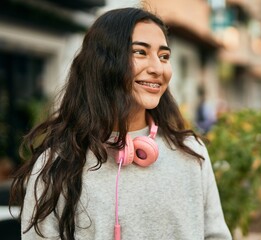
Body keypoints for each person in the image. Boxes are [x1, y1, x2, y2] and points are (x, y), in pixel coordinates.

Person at [10, 7, 232, 240]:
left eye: (164, 56)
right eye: (140, 52)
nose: (158, 68)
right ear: (104, 62)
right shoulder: (58, 162)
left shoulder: (191, 152)